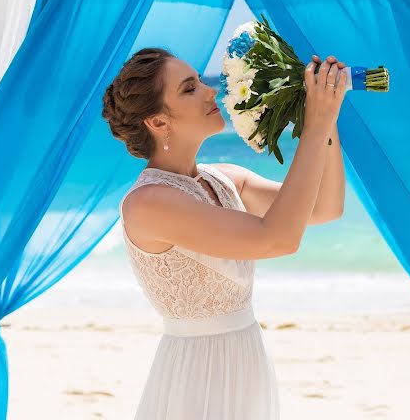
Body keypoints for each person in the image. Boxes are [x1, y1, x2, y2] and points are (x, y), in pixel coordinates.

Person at [101, 46, 348, 420]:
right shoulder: (148, 203)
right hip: (198, 377)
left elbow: (324, 207)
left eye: (200, 80)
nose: (209, 90)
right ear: (158, 123)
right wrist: (314, 125)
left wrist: (326, 119)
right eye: (189, 88)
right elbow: (277, 238)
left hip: (247, 359)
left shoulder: (225, 178)